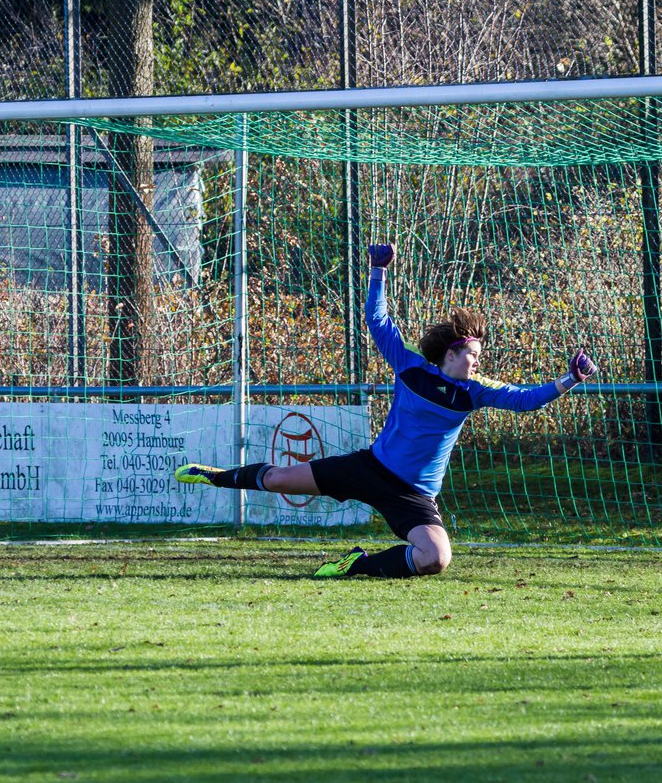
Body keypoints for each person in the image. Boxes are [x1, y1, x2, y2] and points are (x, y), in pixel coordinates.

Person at [175, 242, 597, 579]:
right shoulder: (411, 364)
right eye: (473, 353)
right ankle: (214, 476)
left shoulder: (475, 391)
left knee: (436, 558)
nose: (478, 361)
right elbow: (378, 320)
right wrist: (379, 271)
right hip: (370, 467)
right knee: (278, 477)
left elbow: (526, 400)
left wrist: (569, 379)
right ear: (450, 353)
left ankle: (355, 564)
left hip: (413, 494)